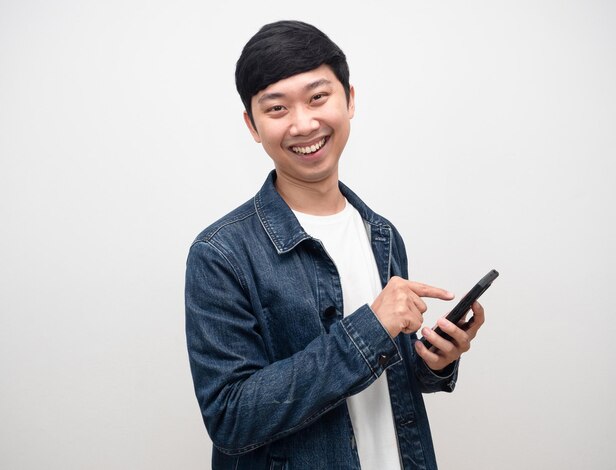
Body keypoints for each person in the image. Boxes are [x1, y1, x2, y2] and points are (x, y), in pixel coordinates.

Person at [185, 20, 485, 470]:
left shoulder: (381, 234)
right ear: (252, 125)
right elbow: (231, 419)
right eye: (277, 108)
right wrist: (370, 329)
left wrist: (433, 362)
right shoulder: (220, 253)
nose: (304, 124)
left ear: (350, 99)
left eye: (318, 97)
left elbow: (384, 385)